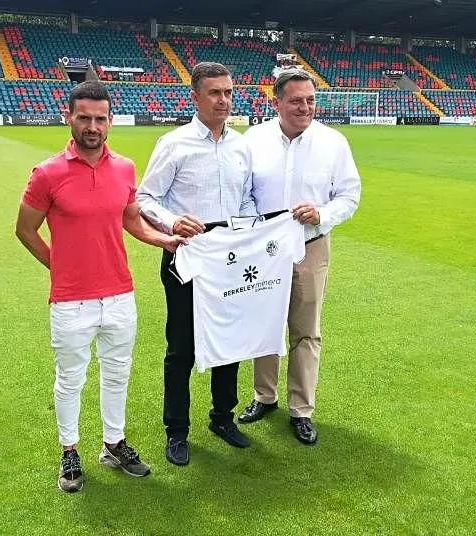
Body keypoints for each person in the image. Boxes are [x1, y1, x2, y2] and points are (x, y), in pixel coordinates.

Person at [15, 81, 185, 493]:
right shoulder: (48, 173)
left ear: (110, 121)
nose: (93, 126)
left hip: (120, 294)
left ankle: (114, 443)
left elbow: (130, 219)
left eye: (100, 118)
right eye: (84, 117)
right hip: (71, 300)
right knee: (70, 378)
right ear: (69, 117)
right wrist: (62, 268)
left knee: (117, 374)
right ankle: (69, 450)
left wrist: (164, 239)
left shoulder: (124, 168)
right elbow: (25, 230)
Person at [137, 62, 256, 466]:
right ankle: (177, 431)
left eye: (227, 92)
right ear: (195, 97)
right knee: (182, 348)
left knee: (230, 343)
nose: (223, 100)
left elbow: (247, 200)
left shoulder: (241, 145)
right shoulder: (175, 143)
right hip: (185, 258)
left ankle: (222, 418)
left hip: (229, 262)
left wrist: (250, 225)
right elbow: (144, 199)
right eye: (214, 93)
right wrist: (173, 222)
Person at [237, 69, 361, 445]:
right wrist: (255, 223)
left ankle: (301, 409)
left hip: (311, 246)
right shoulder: (254, 139)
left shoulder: (333, 142)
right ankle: (265, 396)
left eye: (309, 100)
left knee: (306, 330)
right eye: (295, 100)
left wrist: (321, 213)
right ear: (276, 102)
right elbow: (242, 192)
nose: (304, 107)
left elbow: (349, 195)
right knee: (265, 325)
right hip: (265, 250)